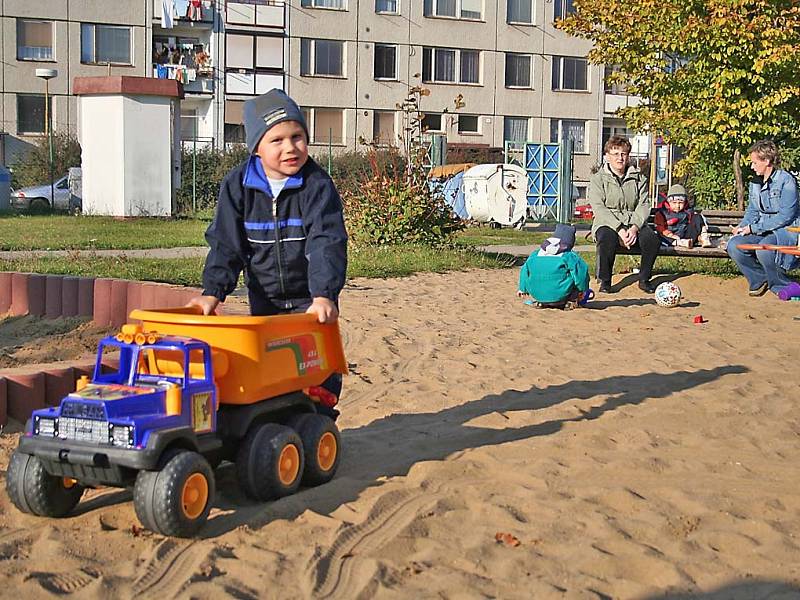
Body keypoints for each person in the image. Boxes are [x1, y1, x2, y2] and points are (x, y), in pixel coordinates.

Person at [187, 88, 348, 416]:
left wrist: (324, 295)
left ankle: (319, 422)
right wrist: (212, 293)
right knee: (273, 369)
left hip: (309, 300)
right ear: (256, 148)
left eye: (297, 136)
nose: (290, 147)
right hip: (265, 298)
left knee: (316, 366)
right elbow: (226, 244)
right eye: (277, 140)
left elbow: (326, 242)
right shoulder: (238, 186)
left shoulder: (316, 185)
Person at [727, 140, 800, 297]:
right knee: (734, 245)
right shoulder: (755, 183)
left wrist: (753, 228)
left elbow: (785, 216)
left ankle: (781, 285)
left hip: (785, 230)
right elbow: (753, 210)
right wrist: (741, 228)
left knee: (764, 249)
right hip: (762, 228)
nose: (752, 167)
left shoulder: (786, 181)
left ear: (767, 161)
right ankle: (759, 279)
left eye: (754, 162)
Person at [588, 135, 660, 294]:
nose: (620, 158)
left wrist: (634, 228)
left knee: (651, 240)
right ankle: (605, 281)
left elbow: (644, 204)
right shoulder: (597, 179)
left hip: (633, 221)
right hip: (607, 222)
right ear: (607, 156)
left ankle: (644, 279)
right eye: (615, 154)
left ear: (628, 156)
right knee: (606, 238)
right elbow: (599, 208)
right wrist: (619, 229)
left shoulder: (639, 178)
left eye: (624, 154)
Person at [517, 223, 590, 310]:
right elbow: (582, 275)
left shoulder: (536, 254)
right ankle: (571, 301)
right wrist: (583, 290)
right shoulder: (568, 256)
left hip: (537, 294)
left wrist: (522, 289)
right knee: (574, 278)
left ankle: (542, 302)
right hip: (561, 295)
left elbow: (524, 272)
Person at [654, 184, 712, 248]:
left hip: (686, 235)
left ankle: (704, 237)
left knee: (697, 217)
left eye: (680, 203)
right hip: (669, 237)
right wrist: (669, 234)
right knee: (658, 236)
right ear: (668, 201)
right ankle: (681, 243)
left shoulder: (687, 212)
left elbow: (694, 224)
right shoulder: (662, 212)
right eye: (674, 203)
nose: (677, 206)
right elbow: (659, 227)